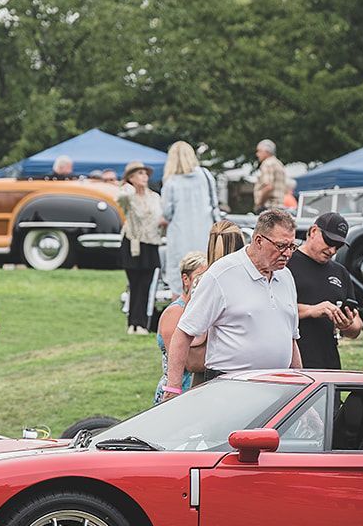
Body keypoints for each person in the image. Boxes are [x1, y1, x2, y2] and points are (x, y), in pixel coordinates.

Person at [164, 208, 301, 392]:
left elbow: (290, 339)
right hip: (231, 387)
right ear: (259, 240)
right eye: (281, 246)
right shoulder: (222, 274)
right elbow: (184, 333)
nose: (287, 253)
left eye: (292, 246)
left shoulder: (286, 276)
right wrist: (173, 388)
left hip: (278, 386)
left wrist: (300, 386)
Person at [288, 212, 362, 369]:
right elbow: (271, 309)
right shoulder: (287, 263)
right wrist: (311, 310)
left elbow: (357, 326)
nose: (332, 250)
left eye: (338, 245)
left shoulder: (340, 272)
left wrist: (346, 324)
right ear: (313, 231)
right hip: (293, 363)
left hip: (328, 364)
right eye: (329, 241)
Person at [117, 161, 164, 335]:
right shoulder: (128, 196)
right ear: (131, 178)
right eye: (139, 174)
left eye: (145, 174)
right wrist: (128, 187)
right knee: (134, 283)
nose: (143, 177)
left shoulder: (155, 197)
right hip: (133, 242)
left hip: (151, 243)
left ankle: (142, 323)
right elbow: (120, 198)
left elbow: (160, 216)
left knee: (146, 283)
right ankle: (132, 323)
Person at [161, 140, 221, 270]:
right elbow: (214, 204)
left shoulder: (170, 182)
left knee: (180, 274)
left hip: (179, 236)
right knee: (206, 271)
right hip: (205, 233)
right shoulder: (206, 175)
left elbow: (167, 213)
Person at [155, 252, 207, 404]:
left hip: (197, 391)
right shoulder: (175, 312)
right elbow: (187, 362)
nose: (204, 282)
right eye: (200, 276)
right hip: (177, 392)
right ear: (185, 279)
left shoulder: (201, 309)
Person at [253, 140, 288, 211]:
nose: (257, 154)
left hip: (268, 207)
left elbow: (268, 186)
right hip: (279, 207)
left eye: (259, 151)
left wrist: (260, 204)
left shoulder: (267, 163)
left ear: (266, 151)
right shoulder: (279, 164)